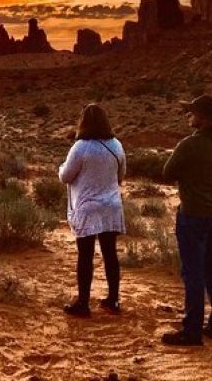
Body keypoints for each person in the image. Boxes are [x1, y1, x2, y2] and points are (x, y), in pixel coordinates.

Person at [161, 94, 212, 346]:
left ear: (201, 117)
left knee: (193, 272)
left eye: (191, 112)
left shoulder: (189, 144)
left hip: (193, 214)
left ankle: (191, 331)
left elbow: (167, 173)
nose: (188, 116)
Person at [59, 104, 127, 317]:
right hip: (111, 206)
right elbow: (121, 175)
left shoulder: (80, 147)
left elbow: (65, 176)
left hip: (87, 207)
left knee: (85, 255)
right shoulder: (116, 145)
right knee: (110, 254)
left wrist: (60, 167)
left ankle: (83, 303)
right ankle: (113, 300)